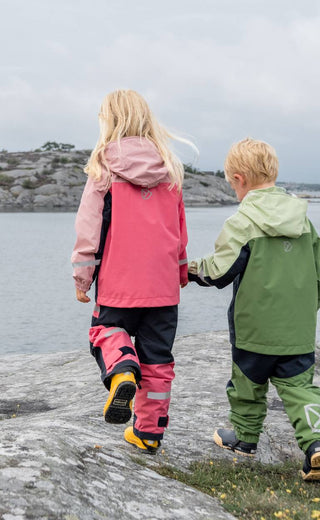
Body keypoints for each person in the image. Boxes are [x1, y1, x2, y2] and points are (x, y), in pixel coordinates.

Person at [188, 138, 320, 480]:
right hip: (297, 331)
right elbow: (319, 277)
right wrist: (308, 313)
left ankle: (244, 438)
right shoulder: (304, 222)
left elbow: (219, 271)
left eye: (232, 185)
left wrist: (188, 270)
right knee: (301, 389)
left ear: (239, 179)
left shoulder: (243, 222)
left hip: (254, 328)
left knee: (247, 385)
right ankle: (316, 445)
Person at [71, 89, 192, 453]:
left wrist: (82, 277)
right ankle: (148, 433)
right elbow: (179, 232)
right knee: (157, 360)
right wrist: (181, 272)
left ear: (109, 122)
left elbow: (89, 229)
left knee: (104, 332)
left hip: (118, 285)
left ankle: (122, 370)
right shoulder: (169, 169)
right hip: (163, 289)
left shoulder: (104, 168)